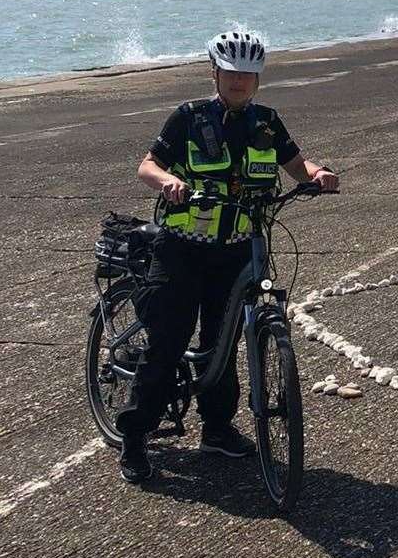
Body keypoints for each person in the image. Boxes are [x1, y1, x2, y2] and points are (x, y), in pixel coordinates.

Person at [116, 30, 340, 484]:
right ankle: (135, 437)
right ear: (215, 72)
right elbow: (147, 166)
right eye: (232, 73)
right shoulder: (188, 117)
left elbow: (296, 164)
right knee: (170, 341)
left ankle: (216, 428)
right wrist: (167, 183)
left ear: (258, 79)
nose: (240, 82)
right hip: (183, 250)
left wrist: (320, 174)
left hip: (239, 250)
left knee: (223, 341)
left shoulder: (267, 122)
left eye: (249, 75)